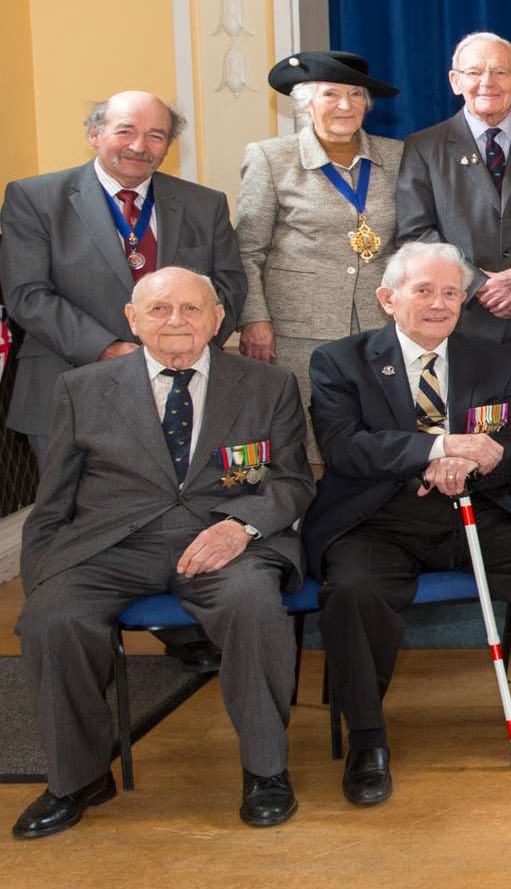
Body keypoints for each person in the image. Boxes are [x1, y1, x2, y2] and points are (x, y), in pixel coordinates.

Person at [12, 268, 313, 838]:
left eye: (192, 309)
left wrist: (240, 529)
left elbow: (291, 481)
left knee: (254, 606)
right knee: (52, 622)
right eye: (159, 309)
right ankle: (76, 779)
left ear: (218, 319)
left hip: (223, 543)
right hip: (111, 546)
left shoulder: (268, 385)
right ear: (132, 319)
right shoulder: (83, 387)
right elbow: (54, 497)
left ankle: (266, 773)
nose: (176, 321)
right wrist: (42, 576)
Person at [306, 243, 511, 807]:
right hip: (377, 515)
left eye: (451, 293)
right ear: (388, 299)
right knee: (355, 591)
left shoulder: (494, 355)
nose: (439, 303)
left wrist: (480, 457)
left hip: (473, 507)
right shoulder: (340, 360)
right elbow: (344, 447)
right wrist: (434, 449)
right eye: (423, 291)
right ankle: (367, 738)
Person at [0, 91, 244, 466]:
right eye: (125, 131)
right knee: (75, 517)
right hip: (71, 382)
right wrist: (109, 348)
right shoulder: (35, 198)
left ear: (168, 147)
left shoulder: (204, 204)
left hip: (181, 382)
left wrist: (181, 344)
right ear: (95, 134)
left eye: (156, 135)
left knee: (177, 510)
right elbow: (28, 294)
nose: (139, 146)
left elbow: (228, 285)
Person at [236, 52, 404, 441]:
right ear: (305, 103)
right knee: (305, 436)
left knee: (377, 431)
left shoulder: (396, 156)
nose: (346, 105)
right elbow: (247, 249)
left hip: (380, 325)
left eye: (356, 95)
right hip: (298, 329)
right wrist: (255, 320)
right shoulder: (270, 157)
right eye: (330, 94)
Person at [394, 32, 511, 368]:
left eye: (499, 72)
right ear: (455, 81)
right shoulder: (424, 146)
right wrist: (479, 284)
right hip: (460, 319)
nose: (487, 82)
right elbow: (416, 231)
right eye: (474, 72)